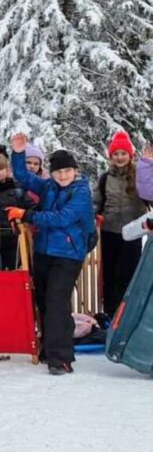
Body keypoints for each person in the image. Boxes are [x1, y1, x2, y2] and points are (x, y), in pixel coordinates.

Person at [10, 133, 95, 375]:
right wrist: (18, 153)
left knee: (57, 303)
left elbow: (63, 218)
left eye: (67, 171)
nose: (62, 175)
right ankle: (50, 347)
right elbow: (24, 177)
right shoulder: (48, 186)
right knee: (44, 301)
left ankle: (62, 358)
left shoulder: (80, 192)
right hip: (44, 251)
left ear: (75, 170)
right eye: (58, 171)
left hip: (68, 254)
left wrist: (27, 215)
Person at [94, 131, 148, 317]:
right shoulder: (105, 178)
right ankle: (110, 312)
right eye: (116, 154)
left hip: (133, 232)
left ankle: (126, 314)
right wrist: (94, 215)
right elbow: (96, 201)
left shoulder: (139, 176)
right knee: (110, 274)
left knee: (128, 274)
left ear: (130, 155)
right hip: (110, 231)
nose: (119, 157)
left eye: (123, 153)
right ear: (110, 157)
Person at [0, 154, 33, 271]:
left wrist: (22, 215)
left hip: (14, 240)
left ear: (7, 170)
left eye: (0, 169)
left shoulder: (17, 189)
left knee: (14, 275)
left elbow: (32, 208)